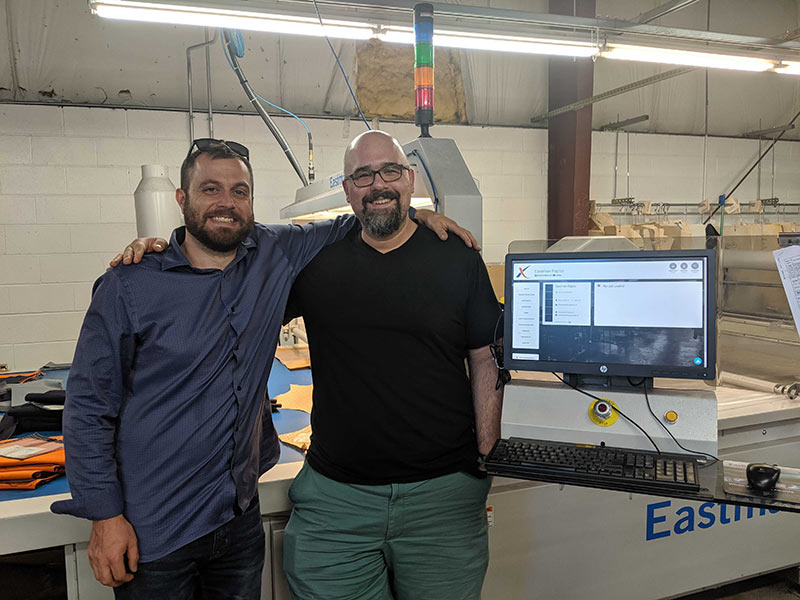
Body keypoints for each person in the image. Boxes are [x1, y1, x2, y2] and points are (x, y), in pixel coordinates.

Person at [51, 138, 474, 600]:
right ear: (181, 199)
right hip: (156, 529)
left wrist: (421, 215)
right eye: (210, 189)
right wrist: (105, 516)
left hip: (238, 521)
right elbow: (88, 407)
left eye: (240, 191)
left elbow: (365, 218)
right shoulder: (131, 284)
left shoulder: (274, 252)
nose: (226, 203)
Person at [282, 130, 504, 600]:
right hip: (336, 502)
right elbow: (237, 272)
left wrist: (485, 447)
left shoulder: (456, 257)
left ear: (410, 179)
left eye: (390, 171)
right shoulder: (315, 261)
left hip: (442, 499)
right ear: (346, 189)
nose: (378, 183)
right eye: (363, 175)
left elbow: (485, 355)